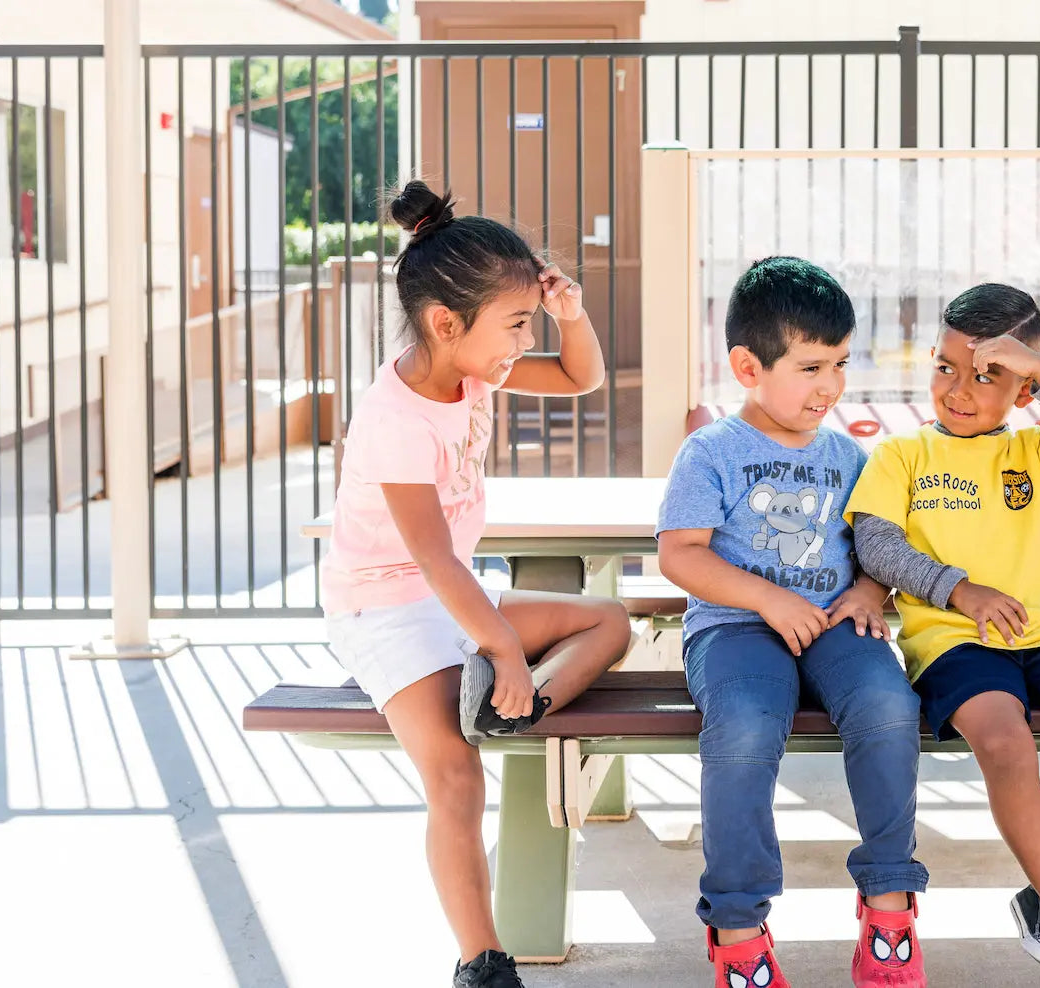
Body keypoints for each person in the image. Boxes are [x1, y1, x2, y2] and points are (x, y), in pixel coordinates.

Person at [320, 181, 634, 988]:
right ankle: (482, 959)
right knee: (455, 779)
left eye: (526, 323)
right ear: (445, 323)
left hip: (454, 599)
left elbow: (580, 377)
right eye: (516, 325)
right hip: (387, 608)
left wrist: (566, 312)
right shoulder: (393, 420)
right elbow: (431, 563)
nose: (520, 342)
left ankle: (506, 707)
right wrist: (499, 645)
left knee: (608, 622)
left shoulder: (475, 370)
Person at [845, 283, 1040, 988]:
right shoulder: (900, 456)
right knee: (1007, 743)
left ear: (1021, 390)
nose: (958, 388)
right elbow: (877, 549)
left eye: (988, 375)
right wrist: (960, 588)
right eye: (946, 366)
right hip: (953, 640)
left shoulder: (1035, 452)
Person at [656, 256, 929, 988]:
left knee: (888, 707)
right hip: (734, 629)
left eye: (839, 364)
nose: (830, 387)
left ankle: (889, 901)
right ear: (748, 366)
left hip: (838, 627)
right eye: (810, 367)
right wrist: (766, 598)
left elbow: (878, 544)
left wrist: (871, 591)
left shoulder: (848, 454)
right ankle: (738, 924)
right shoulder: (710, 451)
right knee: (743, 729)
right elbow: (680, 556)